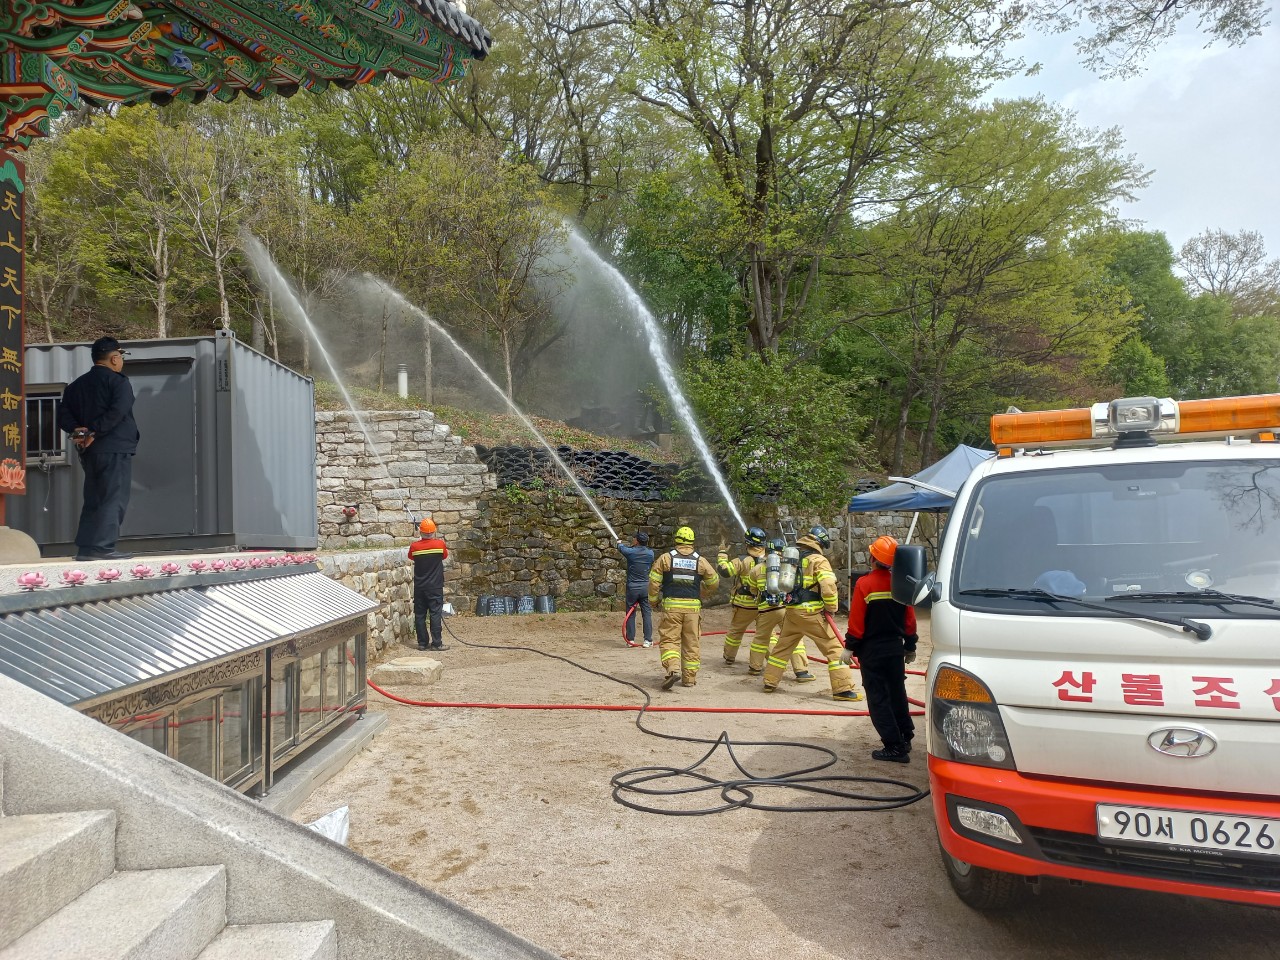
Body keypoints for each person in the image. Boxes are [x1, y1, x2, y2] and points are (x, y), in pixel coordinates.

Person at [58, 336, 140, 561]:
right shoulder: (118, 382)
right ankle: (103, 547)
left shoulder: (76, 386)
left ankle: (86, 548)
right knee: (113, 498)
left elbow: (63, 416)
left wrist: (80, 433)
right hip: (113, 447)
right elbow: (118, 411)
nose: (121, 361)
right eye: (120, 356)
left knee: (94, 498)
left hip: (89, 451)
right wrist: (94, 432)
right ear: (114, 358)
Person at [763, 525, 862, 701]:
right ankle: (842, 689)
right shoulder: (819, 560)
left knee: (782, 648)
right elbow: (828, 586)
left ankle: (770, 681)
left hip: (792, 611)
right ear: (820, 544)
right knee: (834, 649)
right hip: (811, 613)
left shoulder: (793, 558)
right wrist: (831, 607)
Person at [843, 535, 918, 763]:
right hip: (895, 649)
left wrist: (849, 646)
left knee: (878, 698)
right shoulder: (901, 584)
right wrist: (910, 645)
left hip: (872, 651)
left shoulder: (864, 584)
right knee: (897, 693)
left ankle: (894, 747)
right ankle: (905, 736)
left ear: (872, 557)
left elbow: (857, 620)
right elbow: (909, 620)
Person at [648, 525, 720, 689]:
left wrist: (653, 601)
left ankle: (673, 669)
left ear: (677, 541)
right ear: (692, 542)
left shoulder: (666, 558)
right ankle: (689, 679)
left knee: (670, 641)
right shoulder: (700, 560)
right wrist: (703, 592)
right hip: (693, 610)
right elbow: (714, 582)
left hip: (671, 608)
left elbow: (653, 583)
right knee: (691, 643)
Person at [748, 537, 814, 681]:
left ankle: (755, 667)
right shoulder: (788, 568)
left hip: (766, 610)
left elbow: (752, 589)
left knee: (761, 638)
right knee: (794, 638)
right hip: (785, 609)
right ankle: (801, 671)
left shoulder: (757, 569)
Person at [716, 526, 767, 665]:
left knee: (736, 631)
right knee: (767, 633)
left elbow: (724, 571)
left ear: (747, 543)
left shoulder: (742, 561)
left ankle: (729, 656)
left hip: (745, 604)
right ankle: (773, 659)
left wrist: (722, 554)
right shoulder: (769, 560)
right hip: (764, 605)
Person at [409, 517, 449, 651]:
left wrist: (420, 541)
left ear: (420, 532)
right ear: (434, 531)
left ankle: (422, 643)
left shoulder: (414, 547)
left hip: (420, 587)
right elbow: (444, 556)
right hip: (435, 586)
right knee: (435, 613)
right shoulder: (440, 544)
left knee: (420, 614)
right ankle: (437, 643)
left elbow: (411, 556)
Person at [617, 531, 655, 647]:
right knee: (646, 613)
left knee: (630, 613)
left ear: (637, 541)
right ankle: (648, 640)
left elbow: (622, 548)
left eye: (634, 538)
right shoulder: (650, 553)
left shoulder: (631, 552)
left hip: (632, 588)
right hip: (645, 587)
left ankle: (630, 640)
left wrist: (619, 543)